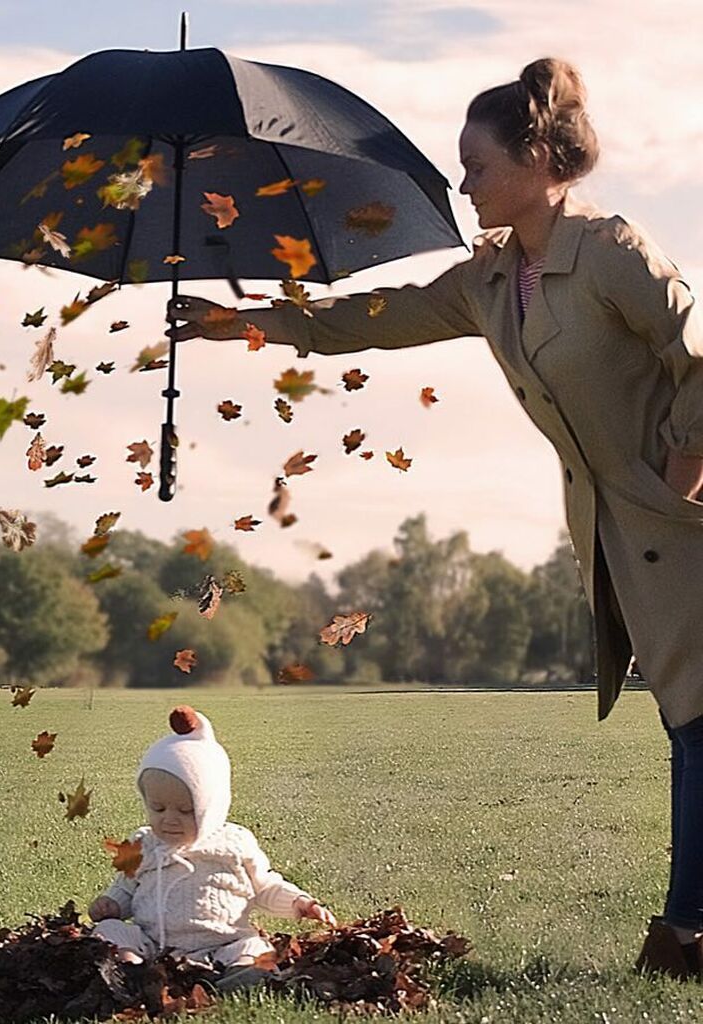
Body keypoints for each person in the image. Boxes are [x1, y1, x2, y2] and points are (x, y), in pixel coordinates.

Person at [167, 58, 703, 981]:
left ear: (538, 159)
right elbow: (378, 315)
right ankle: (690, 928)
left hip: (685, 525)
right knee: (689, 727)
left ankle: (683, 935)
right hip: (618, 533)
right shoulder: (492, 277)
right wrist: (240, 324)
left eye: (477, 165)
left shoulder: (610, 248)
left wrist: (684, 467)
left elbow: (697, 349)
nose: (462, 184)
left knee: (700, 729)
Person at [88, 705, 336, 988]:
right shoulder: (144, 843)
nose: (169, 819)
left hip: (224, 943)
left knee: (253, 947)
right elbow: (126, 887)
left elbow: (265, 886)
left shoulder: (234, 844)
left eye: (185, 810)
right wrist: (113, 904)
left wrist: (300, 903)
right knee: (110, 931)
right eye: (158, 808)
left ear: (212, 807)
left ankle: (242, 976)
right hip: (155, 945)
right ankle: (132, 971)